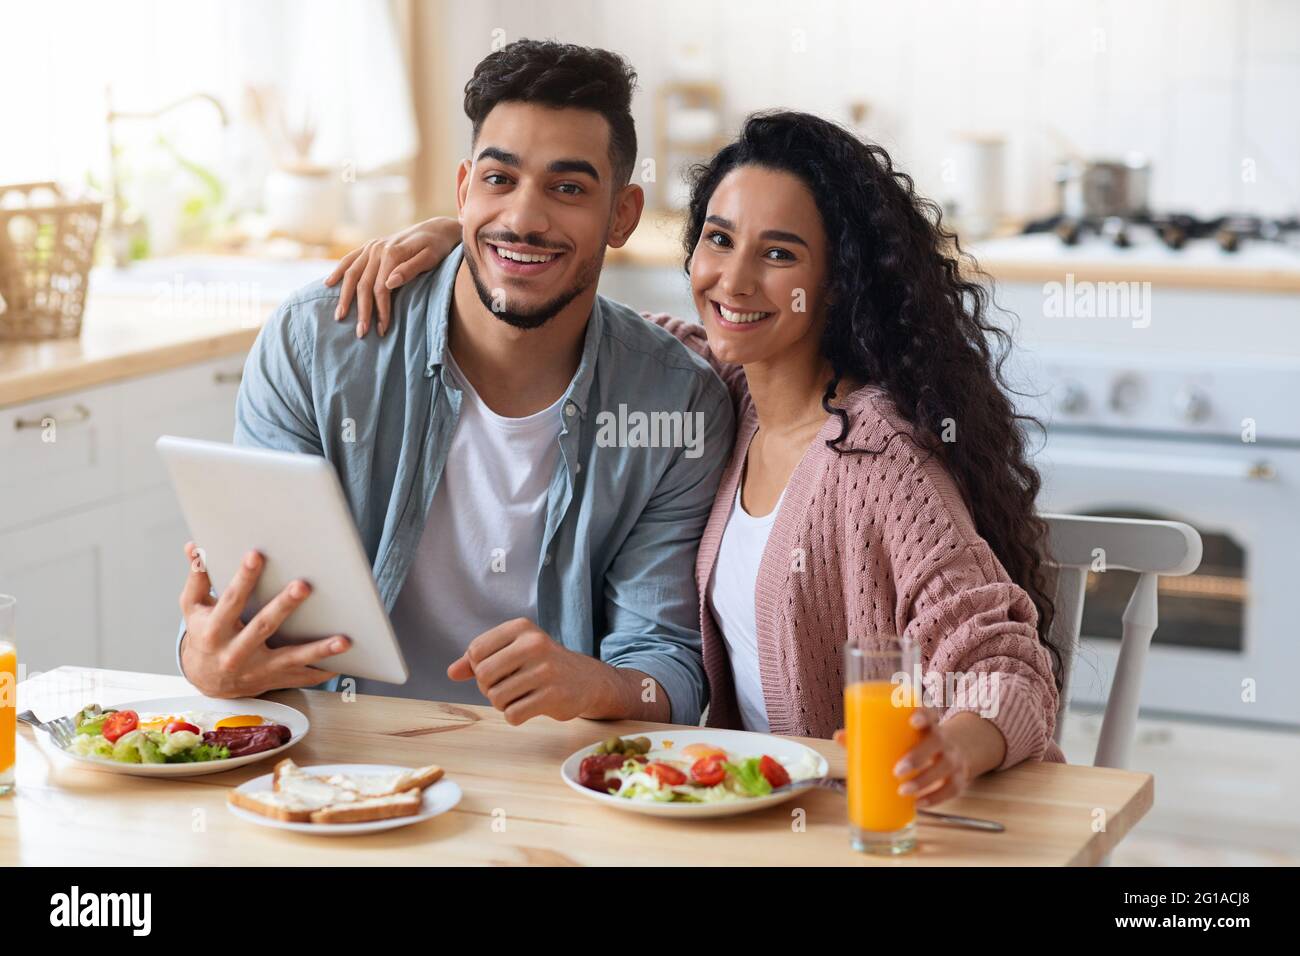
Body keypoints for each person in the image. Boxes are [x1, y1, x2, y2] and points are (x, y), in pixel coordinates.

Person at [331, 110, 1065, 809]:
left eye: (779, 254)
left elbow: (1006, 666)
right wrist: (462, 241)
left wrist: (952, 747)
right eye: (719, 239)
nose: (734, 281)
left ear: (839, 283)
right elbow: (573, 322)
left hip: (889, 823)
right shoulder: (728, 392)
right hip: (758, 820)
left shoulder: (876, 458)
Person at [175, 39, 734, 728]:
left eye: (568, 188)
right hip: (343, 760)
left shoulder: (677, 403)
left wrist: (597, 686)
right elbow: (250, 604)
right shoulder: (316, 344)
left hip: (549, 768)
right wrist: (203, 658)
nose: (526, 218)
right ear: (465, 188)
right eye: (501, 180)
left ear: (622, 215)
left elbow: (668, 668)